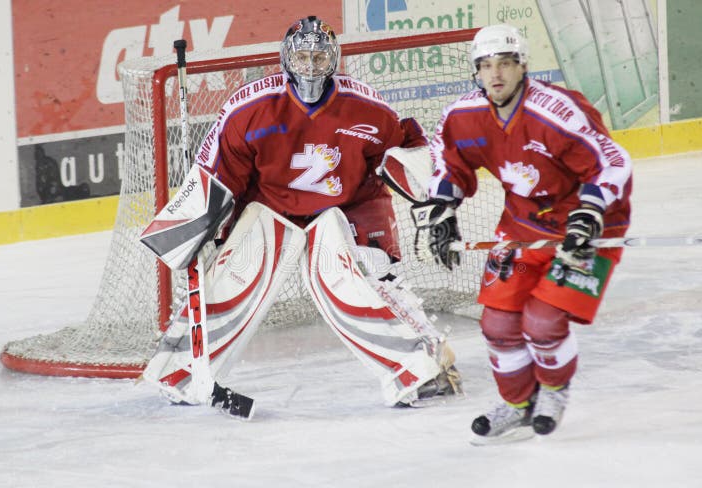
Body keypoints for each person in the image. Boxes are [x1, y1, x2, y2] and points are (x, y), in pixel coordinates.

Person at [141, 16, 462, 414]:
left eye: (318, 58)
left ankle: (423, 366)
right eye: (303, 57)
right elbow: (217, 175)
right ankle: (182, 371)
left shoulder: (366, 107)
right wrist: (198, 229)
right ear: (287, 60)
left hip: (346, 208)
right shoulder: (249, 110)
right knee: (232, 274)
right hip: (270, 210)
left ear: (333, 60)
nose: (310, 67)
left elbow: (408, 146)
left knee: (356, 276)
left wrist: (431, 193)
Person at [414, 24, 632, 443]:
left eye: (505, 64)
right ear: (475, 71)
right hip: (523, 224)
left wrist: (590, 212)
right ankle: (518, 403)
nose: (495, 74)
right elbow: (450, 162)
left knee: (544, 320)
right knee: (497, 323)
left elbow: (612, 160)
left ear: (523, 67)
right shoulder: (464, 115)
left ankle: (553, 393)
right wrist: (443, 206)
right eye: (485, 65)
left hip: (588, 224)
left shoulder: (556, 111)